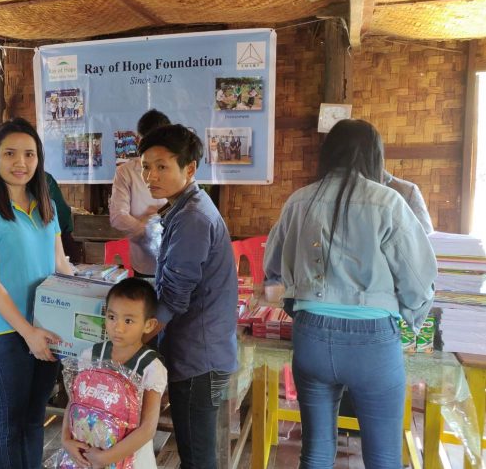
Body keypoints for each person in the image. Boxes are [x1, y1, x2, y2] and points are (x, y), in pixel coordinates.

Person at [264, 119, 437, 468]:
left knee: (314, 450)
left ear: (327, 154)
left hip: (310, 336)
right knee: (383, 455)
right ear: (377, 156)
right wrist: (411, 322)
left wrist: (299, 304)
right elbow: (419, 281)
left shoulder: (298, 201)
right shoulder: (388, 202)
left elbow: (273, 269)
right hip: (373, 344)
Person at [0, 117, 74, 468]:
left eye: (29, 154)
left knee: (34, 418)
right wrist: (28, 333)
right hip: (6, 334)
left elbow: (61, 266)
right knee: (9, 425)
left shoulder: (47, 206)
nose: (21, 163)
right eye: (10, 153)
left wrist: (93, 296)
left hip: (46, 330)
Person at [139, 125, 238, 469]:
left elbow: (174, 297)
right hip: (197, 353)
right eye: (146, 166)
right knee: (193, 453)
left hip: (200, 357)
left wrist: (132, 340)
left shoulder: (194, 217)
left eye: (162, 166)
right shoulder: (184, 207)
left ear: (190, 168)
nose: (151, 175)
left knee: (197, 458)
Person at [61, 277, 167, 468]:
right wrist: (65, 439)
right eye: (112, 317)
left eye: (128, 320)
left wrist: (106, 458)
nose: (118, 327)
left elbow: (147, 429)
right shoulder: (90, 355)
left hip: (131, 460)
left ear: (149, 325)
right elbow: (75, 402)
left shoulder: (151, 367)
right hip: (87, 455)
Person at [108, 109, 169, 277]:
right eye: (149, 142)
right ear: (139, 139)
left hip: (177, 261)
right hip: (145, 264)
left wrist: (158, 219)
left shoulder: (177, 169)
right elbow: (117, 216)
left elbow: (186, 209)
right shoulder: (125, 172)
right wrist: (147, 228)